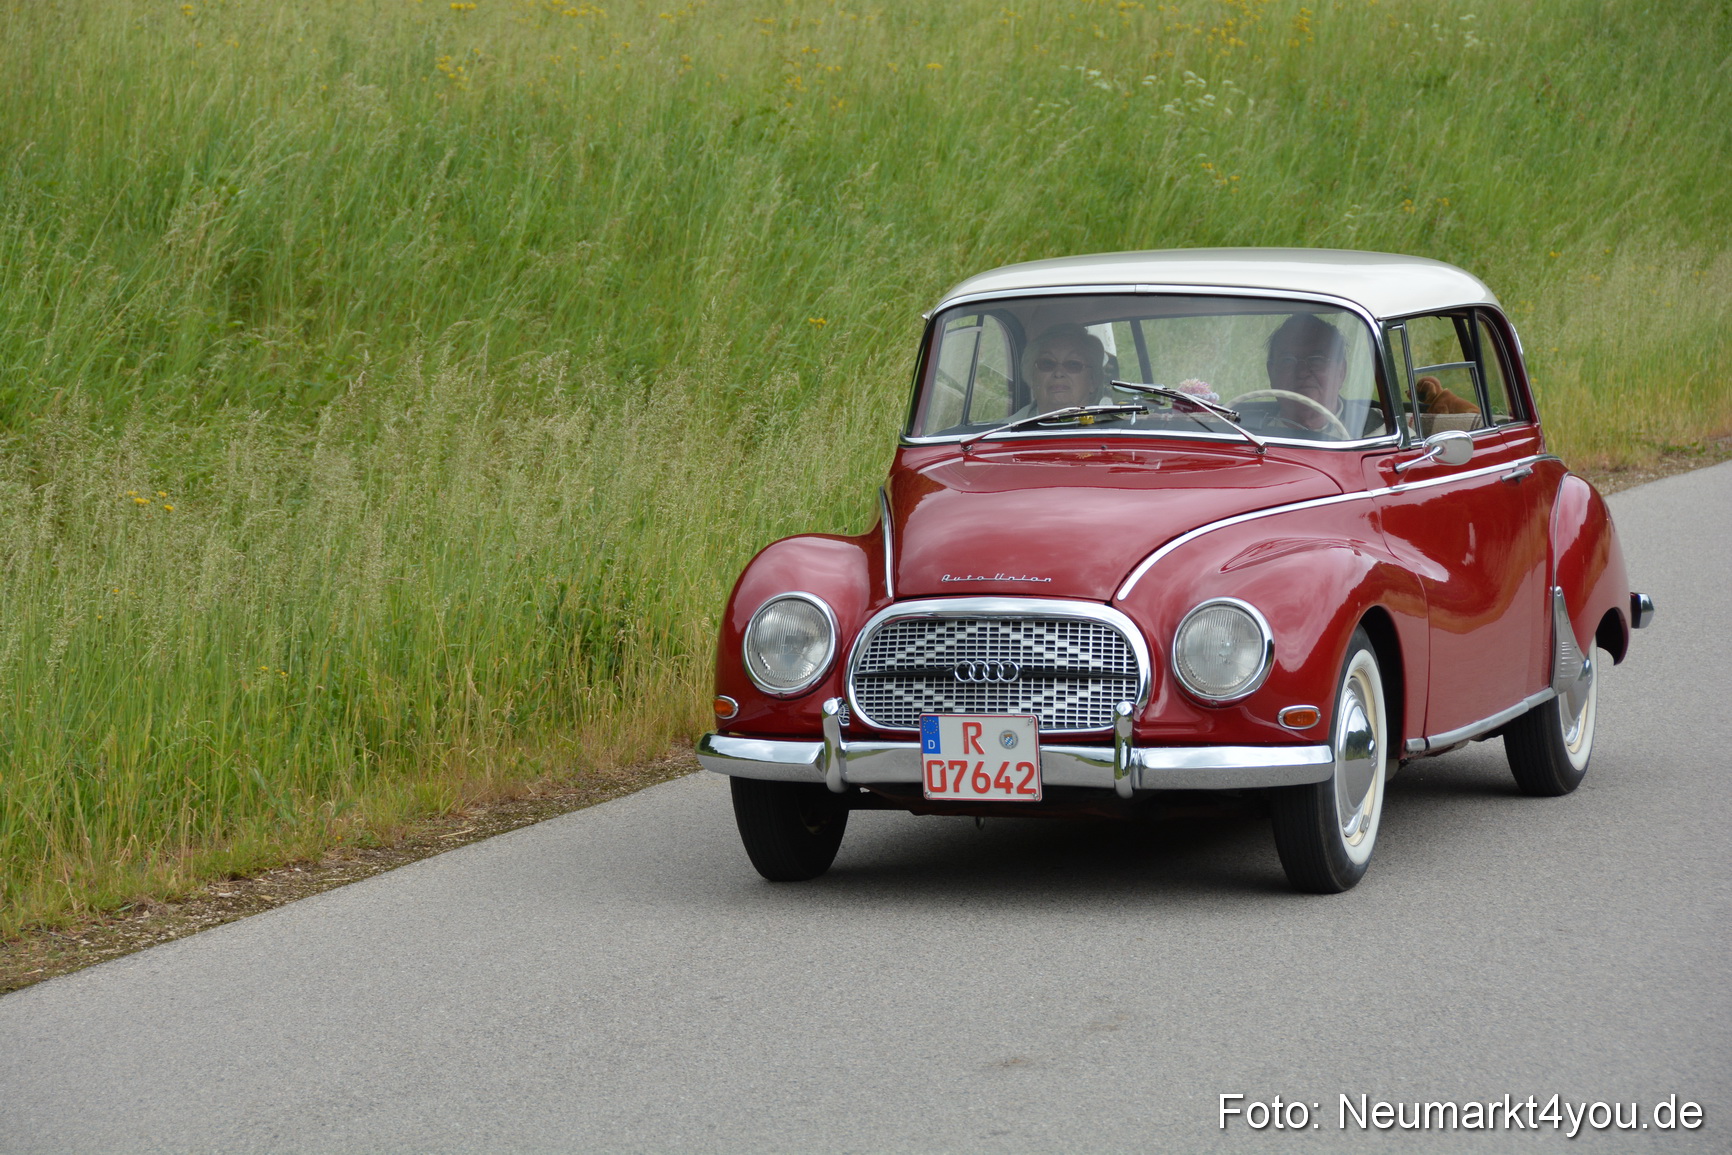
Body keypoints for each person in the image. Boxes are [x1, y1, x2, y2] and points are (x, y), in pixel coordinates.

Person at [1258, 313, 1352, 435]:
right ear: (1271, 372)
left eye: (1317, 360)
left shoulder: (1372, 432)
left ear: (1341, 372)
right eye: (1287, 360)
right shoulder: (1243, 433)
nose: (1302, 372)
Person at [1009, 323, 1112, 420]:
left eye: (1073, 364)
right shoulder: (1004, 430)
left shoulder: (1114, 429)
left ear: (1093, 380)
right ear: (1032, 377)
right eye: (1047, 363)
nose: (1058, 373)